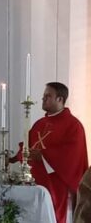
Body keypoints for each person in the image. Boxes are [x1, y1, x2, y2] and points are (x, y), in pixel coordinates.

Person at [10, 82, 88, 223]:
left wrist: (44, 156)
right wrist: (16, 157)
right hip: (35, 184)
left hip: (59, 186)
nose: (43, 99)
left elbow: (73, 156)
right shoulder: (39, 124)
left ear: (60, 99)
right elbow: (27, 147)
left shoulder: (73, 125)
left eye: (48, 96)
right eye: (43, 96)